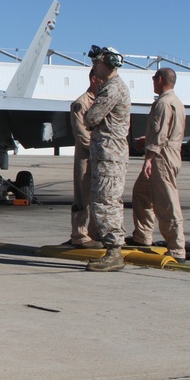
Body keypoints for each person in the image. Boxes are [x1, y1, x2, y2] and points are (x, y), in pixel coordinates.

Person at [82, 45, 132, 272]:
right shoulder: (113, 87)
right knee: (107, 200)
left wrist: (87, 114)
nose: (94, 67)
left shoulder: (111, 89)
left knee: (105, 202)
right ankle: (113, 250)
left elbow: (91, 117)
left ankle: (114, 252)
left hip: (109, 153)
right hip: (109, 153)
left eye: (97, 64)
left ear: (107, 64)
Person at [128, 68, 186, 260]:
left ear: (160, 80)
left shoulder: (163, 103)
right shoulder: (176, 101)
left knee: (165, 202)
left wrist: (149, 159)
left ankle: (177, 247)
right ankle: (142, 236)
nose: (153, 82)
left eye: (154, 79)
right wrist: (147, 140)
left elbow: (160, 134)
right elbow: (167, 132)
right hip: (167, 151)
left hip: (161, 157)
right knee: (141, 193)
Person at [67, 69, 104, 249]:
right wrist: (102, 149)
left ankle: (95, 233)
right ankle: (80, 235)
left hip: (100, 157)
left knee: (98, 196)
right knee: (83, 196)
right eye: (103, 79)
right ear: (94, 79)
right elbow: (82, 135)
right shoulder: (81, 104)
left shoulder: (102, 102)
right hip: (86, 157)